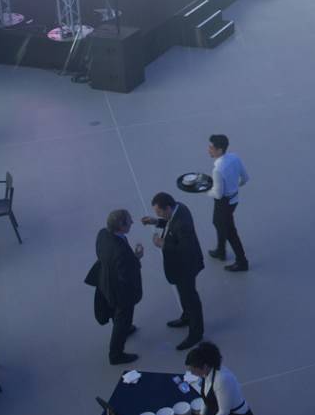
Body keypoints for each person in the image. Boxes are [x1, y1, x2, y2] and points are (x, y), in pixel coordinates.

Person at [137, 192, 205, 351]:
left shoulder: (182, 224)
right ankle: (187, 317)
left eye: (159, 213)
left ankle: (196, 333)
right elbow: (170, 223)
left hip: (186, 266)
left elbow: (184, 248)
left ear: (167, 208)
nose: (158, 215)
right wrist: (156, 221)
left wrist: (162, 244)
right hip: (181, 266)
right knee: (184, 293)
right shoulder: (179, 207)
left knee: (190, 297)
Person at [93, 208, 144, 365]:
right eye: (129, 221)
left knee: (120, 317)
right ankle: (116, 354)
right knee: (123, 317)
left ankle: (126, 328)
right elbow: (126, 276)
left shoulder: (103, 234)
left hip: (105, 282)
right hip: (121, 293)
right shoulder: (121, 251)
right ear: (121, 226)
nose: (132, 222)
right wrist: (136, 258)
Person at [185, 341, 257, 415]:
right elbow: (206, 396)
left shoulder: (222, 379)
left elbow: (224, 411)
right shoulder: (207, 372)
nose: (191, 373)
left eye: (192, 370)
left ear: (204, 366)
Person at [206, 135, 249, 272]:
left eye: (211, 147)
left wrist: (204, 191)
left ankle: (242, 262)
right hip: (233, 200)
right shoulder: (235, 157)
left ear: (219, 150)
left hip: (223, 203)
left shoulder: (218, 170)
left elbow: (217, 194)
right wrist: (234, 187)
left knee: (230, 232)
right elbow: (245, 178)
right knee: (218, 223)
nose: (209, 149)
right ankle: (221, 250)